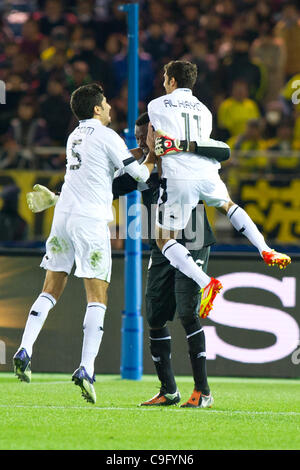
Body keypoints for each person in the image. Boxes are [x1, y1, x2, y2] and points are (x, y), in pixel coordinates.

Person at [25, 112, 228, 409]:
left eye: (142, 136)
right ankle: (169, 390)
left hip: (193, 238)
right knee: (155, 317)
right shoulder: (140, 168)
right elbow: (102, 190)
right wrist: (58, 198)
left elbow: (224, 151)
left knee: (188, 313)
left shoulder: (183, 158)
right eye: (135, 137)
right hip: (160, 244)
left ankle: (203, 391)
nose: (138, 143)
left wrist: (190, 146)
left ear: (157, 134)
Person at [13, 83, 154, 405]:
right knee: (97, 295)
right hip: (90, 221)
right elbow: (139, 177)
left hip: (62, 217)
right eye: (105, 103)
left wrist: (136, 156)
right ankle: (86, 368)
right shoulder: (108, 136)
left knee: (51, 287)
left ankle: (25, 348)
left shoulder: (74, 136)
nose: (108, 107)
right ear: (96, 109)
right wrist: (153, 159)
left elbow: (100, 171)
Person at [148, 60, 291, 321]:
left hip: (179, 175)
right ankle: (264, 248)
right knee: (228, 204)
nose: (163, 82)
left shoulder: (155, 105)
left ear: (171, 81)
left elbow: (155, 143)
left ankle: (206, 283)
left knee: (163, 237)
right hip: (207, 171)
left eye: (165, 78)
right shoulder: (205, 110)